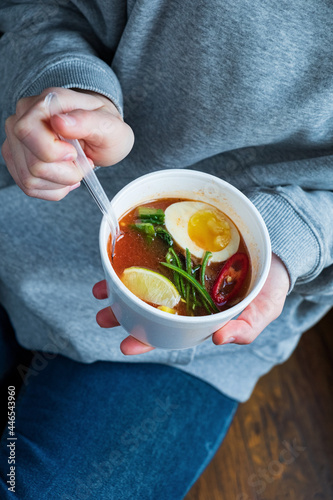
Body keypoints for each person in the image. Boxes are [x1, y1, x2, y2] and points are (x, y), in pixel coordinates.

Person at [0, 1, 332, 498]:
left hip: (203, 344)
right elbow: (41, 10)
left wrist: (291, 237)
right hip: (23, 229)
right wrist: (70, 92)